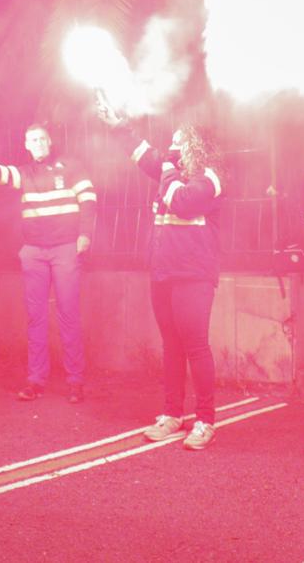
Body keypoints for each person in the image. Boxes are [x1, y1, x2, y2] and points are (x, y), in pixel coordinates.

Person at [103, 112, 224, 451]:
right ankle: (172, 414)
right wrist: (119, 126)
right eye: (172, 140)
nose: (173, 146)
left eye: (180, 141)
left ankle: (205, 419)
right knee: (171, 345)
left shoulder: (210, 178)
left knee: (195, 346)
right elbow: (142, 153)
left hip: (194, 276)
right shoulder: (170, 173)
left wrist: (167, 166)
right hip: (164, 272)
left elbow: (182, 203)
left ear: (197, 145)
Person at [0, 124, 95, 403]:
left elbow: (89, 200)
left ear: (49, 141)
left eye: (41, 139)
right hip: (34, 251)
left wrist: (85, 235)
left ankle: (75, 381)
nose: (38, 144)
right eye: (32, 140)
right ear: (27, 145)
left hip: (65, 249)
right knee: (36, 318)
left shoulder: (71, 166)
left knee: (68, 314)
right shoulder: (23, 173)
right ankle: (36, 380)